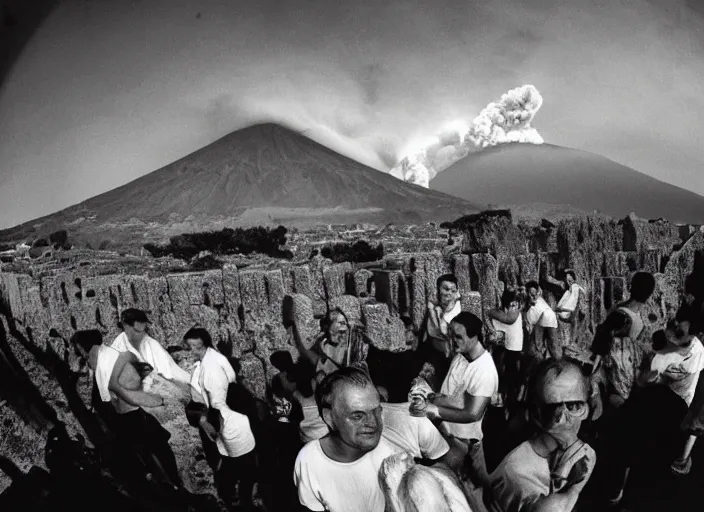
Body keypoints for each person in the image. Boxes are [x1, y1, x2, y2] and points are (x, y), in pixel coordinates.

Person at [488, 359, 596, 512]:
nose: (562, 418)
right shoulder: (520, 474)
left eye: (573, 406)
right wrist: (573, 491)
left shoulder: (582, 456)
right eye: (551, 409)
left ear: (585, 410)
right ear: (535, 414)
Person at [293, 366, 395, 512]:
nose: (373, 423)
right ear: (330, 417)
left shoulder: (387, 452)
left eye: (376, 411)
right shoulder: (309, 461)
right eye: (358, 416)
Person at [418, 312, 499, 490]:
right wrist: (432, 394)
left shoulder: (484, 370)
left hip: (464, 445)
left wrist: (435, 410)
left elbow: (472, 413)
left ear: (474, 337)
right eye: (451, 336)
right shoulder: (460, 357)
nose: (453, 341)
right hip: (447, 435)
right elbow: (456, 396)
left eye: (459, 337)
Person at [89, 342, 182, 488]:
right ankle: (169, 483)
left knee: (153, 450)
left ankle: (170, 483)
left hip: (132, 421)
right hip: (130, 422)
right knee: (151, 451)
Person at [184, 327, 257, 511]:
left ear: (200, 345)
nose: (189, 351)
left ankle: (238, 501)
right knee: (240, 465)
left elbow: (217, 406)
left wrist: (206, 424)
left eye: (191, 347)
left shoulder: (211, 370)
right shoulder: (211, 359)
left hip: (228, 423)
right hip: (233, 420)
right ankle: (240, 499)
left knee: (235, 466)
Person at [589, 271, 656, 408]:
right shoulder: (622, 315)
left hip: (630, 369)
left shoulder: (632, 312)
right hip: (618, 372)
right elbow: (601, 343)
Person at [110, 308, 190, 385]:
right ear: (126, 326)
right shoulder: (119, 344)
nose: (140, 335)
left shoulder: (151, 344)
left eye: (143, 330)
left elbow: (170, 372)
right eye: (137, 331)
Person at [418, 274, 462, 390]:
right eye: (445, 289)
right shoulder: (433, 309)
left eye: (453, 290)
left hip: (456, 358)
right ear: (438, 289)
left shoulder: (458, 309)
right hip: (437, 356)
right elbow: (433, 333)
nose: (449, 293)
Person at [293, 308, 367, 377]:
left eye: (345, 323)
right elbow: (308, 354)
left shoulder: (353, 344)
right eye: (341, 323)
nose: (346, 327)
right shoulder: (322, 345)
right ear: (328, 325)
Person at [487, 288, 524, 411]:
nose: (514, 306)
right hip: (510, 346)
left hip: (514, 348)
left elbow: (508, 320)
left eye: (515, 304)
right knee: (507, 371)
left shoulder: (514, 311)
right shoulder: (513, 308)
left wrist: (491, 312)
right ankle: (507, 398)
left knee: (510, 373)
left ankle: (511, 399)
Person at [523, 282, 560, 361]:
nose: (534, 296)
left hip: (546, 320)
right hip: (547, 321)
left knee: (539, 345)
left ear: (538, 292)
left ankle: (553, 361)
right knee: (551, 344)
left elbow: (532, 320)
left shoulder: (537, 301)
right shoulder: (530, 302)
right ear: (527, 293)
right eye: (531, 294)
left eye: (535, 294)